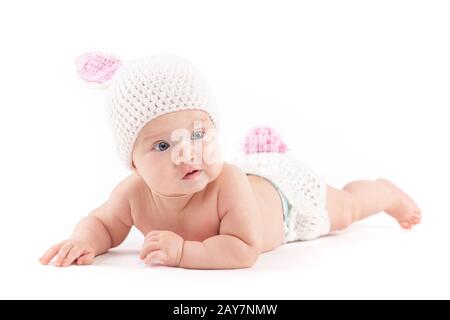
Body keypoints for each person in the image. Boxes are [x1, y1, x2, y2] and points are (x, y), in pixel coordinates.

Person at [39, 52, 421, 269]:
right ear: (133, 163)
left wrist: (183, 252)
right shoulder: (132, 194)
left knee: (346, 208)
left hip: (288, 202)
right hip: (263, 189)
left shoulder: (229, 184)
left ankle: (383, 193)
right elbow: (103, 223)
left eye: (198, 135)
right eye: (162, 146)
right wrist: (82, 241)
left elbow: (243, 249)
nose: (187, 153)